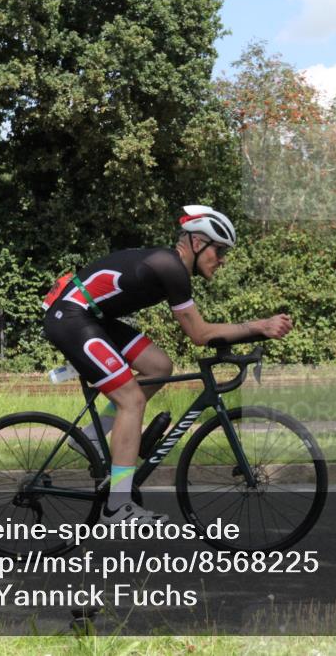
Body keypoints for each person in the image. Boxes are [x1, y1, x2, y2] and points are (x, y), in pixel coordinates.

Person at [42, 205, 293, 524]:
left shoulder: (171, 266)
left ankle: (93, 437)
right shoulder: (170, 266)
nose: (223, 259)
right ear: (197, 242)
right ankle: (117, 505)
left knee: (159, 366)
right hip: (73, 318)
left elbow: (200, 333)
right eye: (219, 250)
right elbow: (199, 334)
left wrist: (247, 333)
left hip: (94, 318)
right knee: (131, 401)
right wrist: (259, 326)